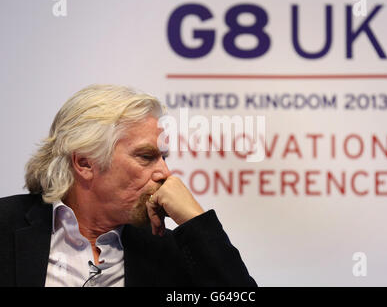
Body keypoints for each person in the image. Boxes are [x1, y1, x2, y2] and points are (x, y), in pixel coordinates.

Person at [0, 84, 257, 287]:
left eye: (164, 157)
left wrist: (196, 222)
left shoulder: (172, 252)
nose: (165, 173)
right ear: (85, 163)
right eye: (146, 157)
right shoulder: (6, 224)